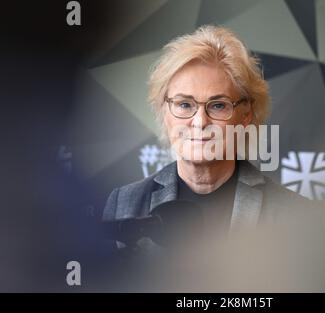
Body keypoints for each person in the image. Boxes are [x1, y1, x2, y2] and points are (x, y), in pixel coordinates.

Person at [102, 25, 309, 253]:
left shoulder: (292, 214)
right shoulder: (124, 203)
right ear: (164, 111)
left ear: (246, 114)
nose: (200, 122)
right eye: (184, 105)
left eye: (218, 105)